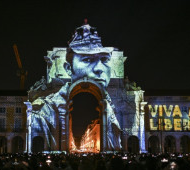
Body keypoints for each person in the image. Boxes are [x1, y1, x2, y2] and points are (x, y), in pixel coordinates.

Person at [30, 23, 122, 151]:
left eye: (105, 60)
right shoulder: (43, 111)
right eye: (87, 60)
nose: (100, 68)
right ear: (68, 68)